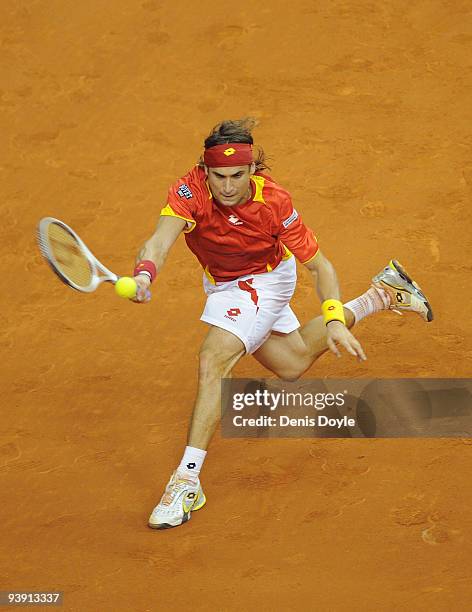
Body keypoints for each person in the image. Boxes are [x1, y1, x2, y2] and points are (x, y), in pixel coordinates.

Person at [130, 118, 433, 530]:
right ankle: (381, 293)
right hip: (223, 284)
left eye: (238, 175)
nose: (228, 186)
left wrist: (331, 318)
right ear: (204, 172)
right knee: (291, 363)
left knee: (213, 359)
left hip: (266, 280)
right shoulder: (189, 191)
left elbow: (320, 267)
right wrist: (146, 272)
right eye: (218, 176)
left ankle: (186, 479)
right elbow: (159, 240)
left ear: (253, 170)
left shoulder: (274, 201)